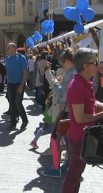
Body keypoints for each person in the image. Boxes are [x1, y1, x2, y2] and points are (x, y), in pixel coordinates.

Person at [61, 48, 103, 193]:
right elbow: (80, 118)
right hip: (79, 137)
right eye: (94, 62)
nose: (97, 65)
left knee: (76, 173)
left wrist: (100, 106)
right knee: (74, 174)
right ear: (85, 66)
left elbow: (91, 103)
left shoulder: (85, 82)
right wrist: (100, 115)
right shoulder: (77, 86)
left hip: (83, 136)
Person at [41, 48, 76, 178]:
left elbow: (63, 96)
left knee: (55, 139)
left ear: (67, 60)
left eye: (63, 63)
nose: (62, 65)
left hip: (65, 111)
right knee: (69, 141)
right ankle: (67, 165)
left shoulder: (69, 74)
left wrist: (57, 84)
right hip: (73, 112)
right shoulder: (77, 72)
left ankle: (56, 168)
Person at [5, 42, 29, 129]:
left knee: (18, 103)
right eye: (8, 48)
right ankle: (13, 123)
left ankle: (25, 119)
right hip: (10, 84)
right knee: (11, 103)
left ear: (14, 49)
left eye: (9, 48)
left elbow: (25, 73)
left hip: (19, 83)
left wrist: (22, 85)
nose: (8, 50)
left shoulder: (21, 58)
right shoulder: (7, 58)